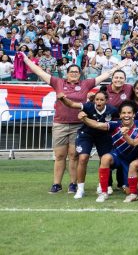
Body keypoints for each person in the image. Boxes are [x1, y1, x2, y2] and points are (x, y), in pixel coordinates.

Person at [20, 52, 123, 194]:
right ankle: (57, 184)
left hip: (79, 125)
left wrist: (117, 67)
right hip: (60, 124)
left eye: (76, 72)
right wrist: (25, 59)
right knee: (60, 156)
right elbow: (39, 71)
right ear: (66, 73)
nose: (74, 73)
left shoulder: (86, 84)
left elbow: (103, 76)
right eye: (71, 72)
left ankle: (73, 184)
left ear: (80, 74)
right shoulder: (58, 82)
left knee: (74, 155)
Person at [77, 100, 138, 202]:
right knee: (105, 158)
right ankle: (103, 192)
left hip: (131, 161)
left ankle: (131, 187)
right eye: (123, 113)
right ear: (120, 115)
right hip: (117, 156)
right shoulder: (115, 124)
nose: (126, 115)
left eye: (129, 113)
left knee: (129, 191)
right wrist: (84, 118)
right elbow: (97, 125)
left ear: (133, 114)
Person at [58, 90, 118, 199]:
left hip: (103, 136)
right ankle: (80, 189)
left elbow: (117, 123)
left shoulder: (112, 110)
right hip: (86, 134)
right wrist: (62, 98)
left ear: (106, 101)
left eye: (101, 100)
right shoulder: (88, 106)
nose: (99, 102)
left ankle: (101, 185)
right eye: (97, 99)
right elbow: (71, 104)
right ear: (94, 100)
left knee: (104, 159)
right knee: (83, 158)